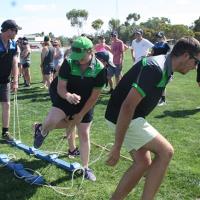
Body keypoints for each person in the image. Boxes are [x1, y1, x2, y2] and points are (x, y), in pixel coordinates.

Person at [105, 37, 200, 200]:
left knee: (143, 162)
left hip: (127, 117)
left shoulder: (165, 67)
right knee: (166, 152)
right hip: (124, 117)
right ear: (185, 56)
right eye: (196, 62)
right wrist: (117, 146)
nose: (196, 67)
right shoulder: (156, 68)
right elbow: (127, 106)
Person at [33, 36, 107, 181]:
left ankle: (86, 168)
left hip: (85, 101)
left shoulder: (100, 69)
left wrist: (80, 115)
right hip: (64, 94)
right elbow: (61, 88)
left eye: (81, 56)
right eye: (76, 56)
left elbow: (94, 97)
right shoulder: (69, 62)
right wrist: (67, 96)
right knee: (52, 120)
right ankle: (41, 129)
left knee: (84, 133)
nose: (78, 60)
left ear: (90, 51)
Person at [0, 19, 21, 141]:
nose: (16, 33)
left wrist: (15, 80)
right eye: (15, 31)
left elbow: (15, 63)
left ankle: (5, 132)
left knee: (7, 104)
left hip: (5, 80)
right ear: (8, 30)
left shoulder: (13, 44)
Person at [151, 31, 171, 106]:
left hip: (163, 65)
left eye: (159, 37)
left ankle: (163, 99)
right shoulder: (155, 44)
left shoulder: (166, 45)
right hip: (155, 65)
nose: (158, 38)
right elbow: (152, 53)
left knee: (162, 83)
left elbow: (170, 54)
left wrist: (166, 43)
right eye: (157, 37)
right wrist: (147, 55)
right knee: (156, 82)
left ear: (162, 37)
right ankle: (157, 98)